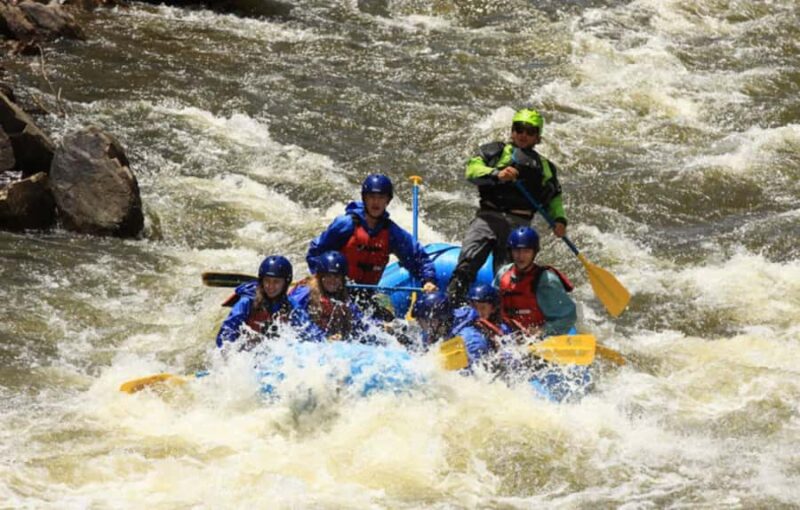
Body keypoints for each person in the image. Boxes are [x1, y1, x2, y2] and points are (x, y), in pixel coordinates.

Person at [447, 108, 568, 306]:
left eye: (530, 132)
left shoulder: (545, 167)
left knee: (508, 275)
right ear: (512, 131)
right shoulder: (495, 151)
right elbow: (472, 170)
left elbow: (554, 199)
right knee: (466, 264)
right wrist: (496, 173)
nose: (523, 135)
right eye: (519, 129)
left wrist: (560, 220)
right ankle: (452, 306)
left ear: (538, 137)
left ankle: (502, 316)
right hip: (487, 218)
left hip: (517, 226)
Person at [307, 173, 438, 320]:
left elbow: (418, 258)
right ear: (365, 198)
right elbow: (315, 251)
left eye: (381, 198)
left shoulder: (391, 233)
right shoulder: (345, 224)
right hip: (336, 290)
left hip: (365, 295)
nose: (376, 202)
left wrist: (428, 280)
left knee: (391, 329)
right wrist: (319, 281)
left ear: (387, 201)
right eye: (372, 197)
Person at [216, 255, 323, 350]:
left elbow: (310, 331)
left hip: (271, 355)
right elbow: (226, 333)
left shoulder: (290, 305)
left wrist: (325, 343)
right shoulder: (247, 302)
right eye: (267, 281)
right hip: (245, 353)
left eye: (276, 282)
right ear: (261, 281)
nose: (270, 286)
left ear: (285, 283)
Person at [494, 227, 577, 338]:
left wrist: (542, 331)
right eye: (517, 250)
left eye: (526, 251)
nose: (521, 256)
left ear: (534, 253)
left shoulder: (546, 281)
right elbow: (491, 303)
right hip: (507, 332)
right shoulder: (503, 273)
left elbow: (568, 317)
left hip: (536, 337)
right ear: (511, 251)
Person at [289, 251, 375, 342]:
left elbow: (359, 318)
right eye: (328, 276)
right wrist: (323, 338)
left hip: (328, 338)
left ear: (342, 279)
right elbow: (296, 316)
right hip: (310, 337)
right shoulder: (306, 292)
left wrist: (379, 326)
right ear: (320, 276)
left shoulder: (342, 296)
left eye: (337, 277)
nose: (332, 281)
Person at [411, 291, 491, 367]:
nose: (419, 324)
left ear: (436, 320)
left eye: (421, 320)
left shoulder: (469, 341)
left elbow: (468, 377)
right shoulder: (434, 330)